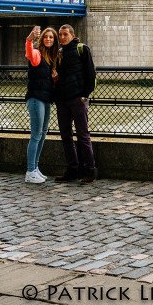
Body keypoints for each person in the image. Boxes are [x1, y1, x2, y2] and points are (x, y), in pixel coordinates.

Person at [53, 24, 97, 185]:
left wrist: (84, 96)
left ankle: (89, 170)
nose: (62, 37)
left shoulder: (82, 49)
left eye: (65, 34)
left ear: (72, 35)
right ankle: (72, 169)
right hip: (62, 100)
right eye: (60, 35)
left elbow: (91, 74)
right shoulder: (59, 52)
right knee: (66, 136)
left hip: (77, 99)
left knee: (83, 135)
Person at [24, 25, 59, 184]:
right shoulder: (37, 54)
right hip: (36, 98)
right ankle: (30, 171)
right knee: (36, 135)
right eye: (46, 37)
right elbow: (29, 53)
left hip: (45, 99)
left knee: (43, 133)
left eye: (51, 37)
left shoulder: (51, 59)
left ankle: (35, 168)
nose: (49, 39)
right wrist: (30, 38)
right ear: (42, 39)